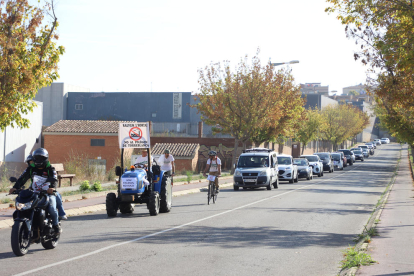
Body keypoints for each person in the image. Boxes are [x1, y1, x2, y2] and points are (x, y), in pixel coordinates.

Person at [9, 148, 62, 234]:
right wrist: (15, 187)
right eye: (36, 158)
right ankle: (19, 225)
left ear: (45, 159)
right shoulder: (30, 168)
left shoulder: (50, 169)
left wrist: (52, 188)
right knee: (22, 206)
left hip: (47, 192)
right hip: (33, 192)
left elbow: (55, 179)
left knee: (52, 207)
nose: (38, 160)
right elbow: (23, 178)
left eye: (40, 158)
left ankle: (56, 226)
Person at [24, 154, 67, 220]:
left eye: (33, 161)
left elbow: (54, 178)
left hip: (47, 190)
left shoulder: (47, 169)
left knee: (57, 195)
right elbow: (26, 180)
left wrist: (52, 187)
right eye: (31, 162)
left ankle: (62, 213)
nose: (33, 163)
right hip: (35, 190)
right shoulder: (31, 170)